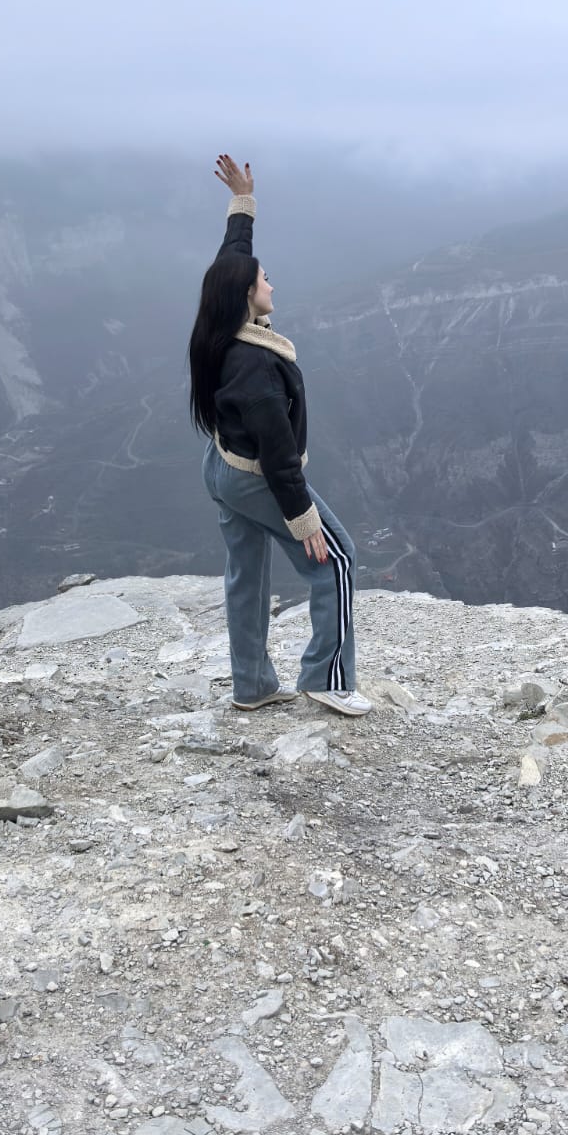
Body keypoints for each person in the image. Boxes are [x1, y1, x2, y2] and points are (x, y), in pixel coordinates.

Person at [189, 154, 370, 716]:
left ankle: (253, 685)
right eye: (264, 279)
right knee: (337, 559)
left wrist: (242, 203)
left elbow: (232, 258)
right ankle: (327, 680)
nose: (271, 282)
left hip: (221, 464)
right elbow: (280, 458)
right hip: (256, 475)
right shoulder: (257, 370)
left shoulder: (221, 322)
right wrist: (303, 519)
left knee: (246, 574)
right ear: (248, 295)